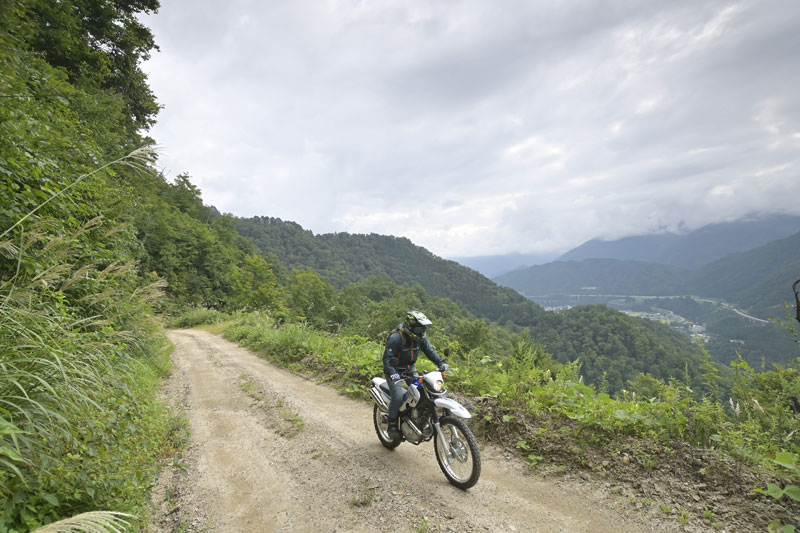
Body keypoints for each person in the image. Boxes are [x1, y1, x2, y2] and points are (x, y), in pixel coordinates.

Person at [383, 310, 449, 441]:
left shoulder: (420, 339)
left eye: (422, 328)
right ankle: (392, 425)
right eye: (418, 328)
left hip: (409, 369)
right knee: (397, 396)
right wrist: (394, 374)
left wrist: (441, 362)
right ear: (409, 326)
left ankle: (415, 418)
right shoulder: (396, 338)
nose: (420, 331)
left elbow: (430, 351)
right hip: (395, 370)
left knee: (420, 391)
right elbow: (387, 359)